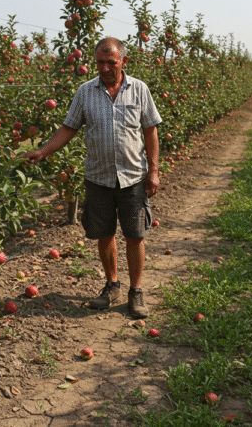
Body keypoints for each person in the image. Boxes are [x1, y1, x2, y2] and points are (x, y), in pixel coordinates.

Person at [24, 37, 161, 319]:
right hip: (98, 178)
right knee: (105, 233)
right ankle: (111, 286)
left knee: (135, 235)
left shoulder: (139, 90)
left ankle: (135, 291)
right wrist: (44, 151)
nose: (105, 67)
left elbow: (150, 131)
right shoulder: (85, 92)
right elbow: (69, 127)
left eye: (111, 62)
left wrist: (154, 170)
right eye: (100, 62)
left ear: (124, 61)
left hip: (133, 176)